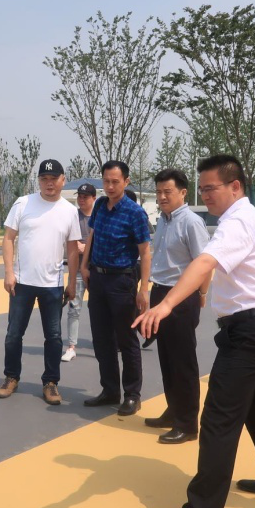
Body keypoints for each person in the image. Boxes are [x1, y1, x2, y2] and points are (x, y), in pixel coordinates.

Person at [133, 155, 255, 508]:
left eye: (211, 188)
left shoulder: (237, 222)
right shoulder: (251, 219)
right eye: (202, 189)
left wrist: (166, 304)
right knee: (254, 408)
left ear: (234, 186)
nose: (205, 196)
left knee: (218, 422)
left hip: (249, 335)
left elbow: (205, 262)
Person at [0, 159, 80, 405]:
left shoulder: (69, 211)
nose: (49, 183)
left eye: (54, 179)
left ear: (63, 180)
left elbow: (72, 249)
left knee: (53, 336)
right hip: (21, 282)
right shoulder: (23, 203)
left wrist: (71, 282)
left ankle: (51, 383)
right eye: (44, 179)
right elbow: (8, 238)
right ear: (39, 181)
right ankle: (11, 377)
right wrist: (8, 272)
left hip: (52, 284)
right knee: (14, 334)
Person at [143, 169, 210, 445]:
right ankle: (173, 410)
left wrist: (202, 293)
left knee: (183, 362)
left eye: (167, 192)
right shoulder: (163, 220)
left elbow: (204, 262)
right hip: (160, 293)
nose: (161, 197)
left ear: (183, 192)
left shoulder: (191, 222)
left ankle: (188, 423)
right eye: (158, 192)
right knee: (167, 358)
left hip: (181, 296)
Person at [81, 160, 152, 416]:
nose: (110, 186)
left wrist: (144, 289)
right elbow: (92, 235)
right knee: (101, 339)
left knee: (126, 339)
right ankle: (110, 390)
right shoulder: (100, 205)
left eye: (115, 182)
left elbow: (145, 252)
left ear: (126, 181)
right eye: (106, 181)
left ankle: (132, 394)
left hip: (122, 281)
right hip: (97, 279)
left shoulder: (135, 213)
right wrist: (84, 266)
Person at [61, 182, 97, 362]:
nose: (81, 200)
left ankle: (101, 344)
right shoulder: (73, 216)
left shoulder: (100, 216)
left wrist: (88, 248)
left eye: (85, 197)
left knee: (98, 310)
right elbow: (65, 239)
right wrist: (77, 246)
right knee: (74, 308)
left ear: (94, 198)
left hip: (96, 270)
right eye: (79, 197)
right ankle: (71, 346)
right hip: (77, 270)